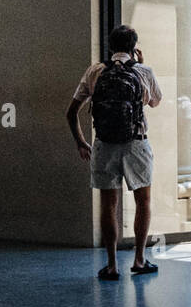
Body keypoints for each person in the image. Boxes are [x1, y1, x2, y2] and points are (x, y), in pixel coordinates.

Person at [66, 24, 162, 280]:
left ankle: (111, 265)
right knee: (143, 202)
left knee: (109, 204)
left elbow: (71, 112)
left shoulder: (95, 71)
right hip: (136, 144)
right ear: (134, 47)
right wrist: (143, 64)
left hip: (104, 144)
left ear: (110, 47)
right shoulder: (143, 71)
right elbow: (155, 101)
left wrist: (81, 142)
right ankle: (139, 260)